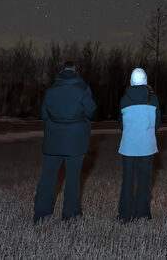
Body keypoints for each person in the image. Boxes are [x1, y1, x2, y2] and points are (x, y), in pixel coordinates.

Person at [33, 60, 97, 224]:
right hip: (75, 141)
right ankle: (70, 215)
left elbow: (43, 114)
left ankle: (40, 213)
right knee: (73, 179)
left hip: (53, 140)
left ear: (62, 71)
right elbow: (90, 112)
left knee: (47, 177)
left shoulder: (51, 90)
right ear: (77, 71)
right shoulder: (83, 89)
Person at [117, 67, 161, 222]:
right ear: (146, 81)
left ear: (131, 81)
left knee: (128, 180)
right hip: (146, 146)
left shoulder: (124, 99)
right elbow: (157, 124)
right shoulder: (153, 99)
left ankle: (125, 215)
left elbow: (121, 124)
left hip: (128, 147)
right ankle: (143, 214)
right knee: (144, 180)